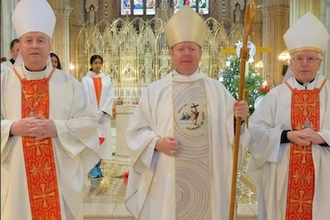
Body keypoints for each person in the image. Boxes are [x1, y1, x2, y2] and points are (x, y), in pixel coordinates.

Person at [125, 6, 250, 220]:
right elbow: (136, 133)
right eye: (181, 49)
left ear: (200, 53)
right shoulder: (155, 90)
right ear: (171, 53)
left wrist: (240, 118)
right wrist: (157, 143)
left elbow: (234, 135)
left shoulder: (217, 90)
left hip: (208, 181)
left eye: (192, 49)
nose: (186, 54)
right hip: (167, 178)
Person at [1, 0, 101, 219]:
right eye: (29, 40)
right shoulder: (3, 82)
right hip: (16, 177)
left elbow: (89, 122)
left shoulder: (69, 84)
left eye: (40, 40)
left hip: (58, 174)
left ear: (49, 45)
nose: (35, 45)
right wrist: (13, 127)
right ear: (21, 45)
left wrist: (56, 128)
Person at [246, 12, 330, 220]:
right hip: (282, 176)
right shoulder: (276, 95)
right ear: (291, 63)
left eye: (311, 58)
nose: (304, 64)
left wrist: (322, 137)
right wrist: (286, 136)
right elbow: (255, 134)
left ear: (319, 63)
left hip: (323, 179)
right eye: (299, 58)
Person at [81, 54, 115, 178]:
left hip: (103, 117)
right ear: (91, 64)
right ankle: (91, 167)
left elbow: (110, 95)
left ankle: (98, 166)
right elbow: (84, 97)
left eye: (100, 63)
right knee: (92, 141)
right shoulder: (85, 80)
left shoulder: (106, 79)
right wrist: (92, 112)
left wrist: (102, 111)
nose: (98, 65)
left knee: (102, 142)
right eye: (95, 63)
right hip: (91, 117)